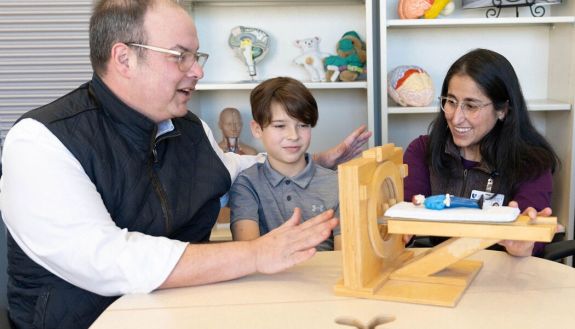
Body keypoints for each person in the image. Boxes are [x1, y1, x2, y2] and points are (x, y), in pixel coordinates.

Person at [0, 1, 371, 328]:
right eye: (181, 56)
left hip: (186, 313)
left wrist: (313, 162)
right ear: (124, 58)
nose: (197, 71)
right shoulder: (41, 140)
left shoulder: (190, 128)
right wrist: (256, 253)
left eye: (197, 57)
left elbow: (234, 168)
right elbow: (108, 260)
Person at [403, 48, 560, 257]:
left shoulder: (532, 162)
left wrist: (525, 241)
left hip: (503, 278)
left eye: (471, 106)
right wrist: (400, 232)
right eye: (451, 101)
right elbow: (405, 218)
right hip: (443, 274)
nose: (456, 117)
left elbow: (530, 234)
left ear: (502, 110)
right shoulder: (422, 150)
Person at [229, 77, 340, 251]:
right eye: (280, 126)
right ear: (257, 129)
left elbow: (345, 260)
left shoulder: (337, 183)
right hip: (268, 278)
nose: (293, 135)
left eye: (303, 125)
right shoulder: (246, 184)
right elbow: (247, 254)